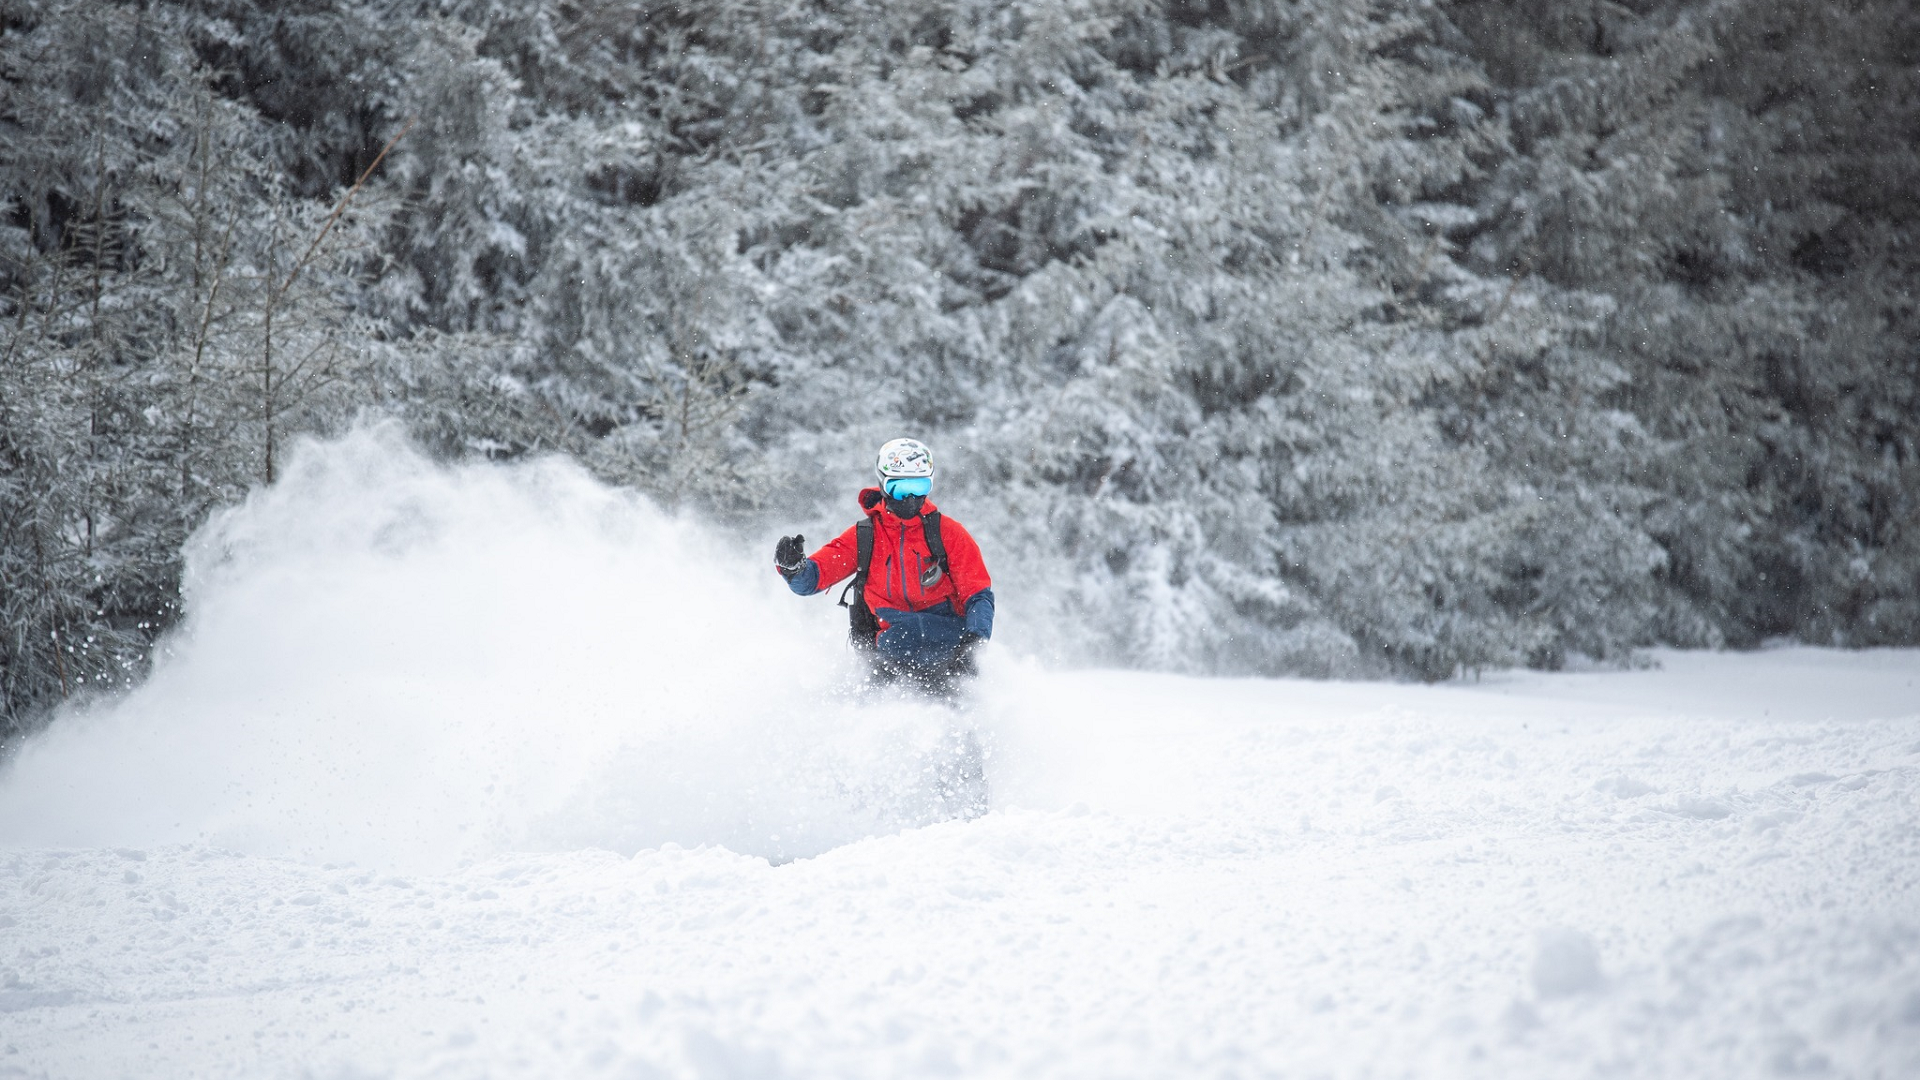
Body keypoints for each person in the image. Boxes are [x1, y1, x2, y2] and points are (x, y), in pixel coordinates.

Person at [775, 438, 994, 691]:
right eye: (901, 489)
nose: (911, 498)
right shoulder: (865, 537)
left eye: (920, 486)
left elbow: (978, 595)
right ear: (883, 484)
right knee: (886, 671)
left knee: (957, 709)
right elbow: (812, 579)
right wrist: (793, 568)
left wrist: (974, 642)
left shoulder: (948, 534)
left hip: (948, 650)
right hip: (891, 655)